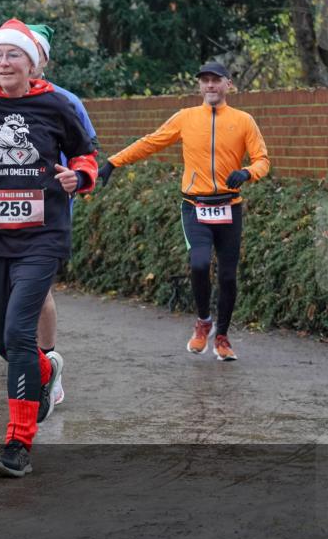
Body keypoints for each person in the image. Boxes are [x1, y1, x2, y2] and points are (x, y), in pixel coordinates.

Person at [0, 19, 97, 478]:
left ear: (31, 63)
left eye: (13, 55)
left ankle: (17, 442)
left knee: (16, 333)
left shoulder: (56, 104)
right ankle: (46, 374)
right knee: (10, 342)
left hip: (41, 236)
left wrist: (81, 177)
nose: (4, 63)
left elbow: (86, 153)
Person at [100, 61, 269, 361]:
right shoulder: (186, 117)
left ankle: (223, 336)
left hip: (230, 208)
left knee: (228, 277)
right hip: (195, 207)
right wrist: (113, 162)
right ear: (199, 86)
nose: (210, 86)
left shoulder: (244, 121)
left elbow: (262, 160)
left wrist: (247, 173)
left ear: (229, 84)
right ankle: (204, 321)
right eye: (205, 81)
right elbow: (151, 142)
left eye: (216, 80)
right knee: (200, 264)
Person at [26, 23, 99, 406]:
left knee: (38, 291)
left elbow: (89, 150)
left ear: (43, 61)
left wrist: (77, 176)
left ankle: (47, 361)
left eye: (31, 53)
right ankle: (31, 361)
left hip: (48, 210)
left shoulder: (65, 100)